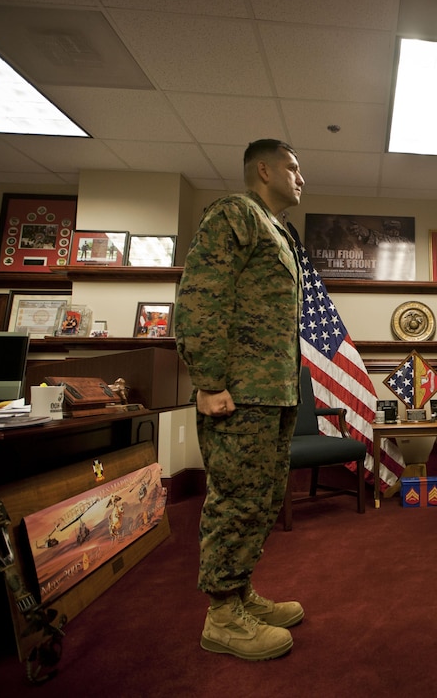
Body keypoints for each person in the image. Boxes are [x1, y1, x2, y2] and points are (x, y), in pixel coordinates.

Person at [174, 138, 306, 662]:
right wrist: (209, 382)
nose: (301, 177)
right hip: (239, 392)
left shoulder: (280, 232)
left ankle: (241, 591)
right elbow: (202, 296)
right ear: (265, 169)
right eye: (293, 168)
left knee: (264, 499)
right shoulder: (235, 214)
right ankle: (222, 616)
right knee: (236, 500)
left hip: (272, 392)